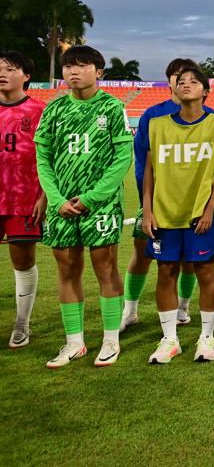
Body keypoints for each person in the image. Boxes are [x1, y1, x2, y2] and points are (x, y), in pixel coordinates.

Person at [35, 46, 133, 368]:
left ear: (99, 72)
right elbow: (43, 160)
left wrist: (91, 197)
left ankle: (110, 340)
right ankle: (74, 343)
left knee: (105, 268)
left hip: (100, 204)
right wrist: (57, 198)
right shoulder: (53, 110)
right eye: (68, 66)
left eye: (82, 65)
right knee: (66, 270)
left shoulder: (113, 108)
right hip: (61, 206)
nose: (73, 72)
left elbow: (122, 159)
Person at [142, 67, 214, 364]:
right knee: (165, 272)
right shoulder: (157, 125)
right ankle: (170, 339)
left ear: (206, 91)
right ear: (174, 90)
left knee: (205, 272)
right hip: (164, 214)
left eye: (194, 81)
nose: (187, 85)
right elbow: (150, 171)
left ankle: (207, 337)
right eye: (181, 82)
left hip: (200, 215)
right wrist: (148, 210)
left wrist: (210, 208)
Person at [121, 58, 212, 332]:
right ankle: (130, 310)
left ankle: (182, 308)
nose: (181, 81)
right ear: (170, 80)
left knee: (189, 260)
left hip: (193, 204)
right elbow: (142, 163)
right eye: (176, 76)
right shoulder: (153, 115)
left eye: (188, 77)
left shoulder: (209, 116)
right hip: (155, 202)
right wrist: (146, 203)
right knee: (142, 254)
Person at [0, 51, 46, 349]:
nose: (2, 73)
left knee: (23, 260)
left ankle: (21, 324)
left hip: (24, 198)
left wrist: (43, 195)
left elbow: (49, 157)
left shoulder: (40, 110)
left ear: (26, 76)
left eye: (9, 68)